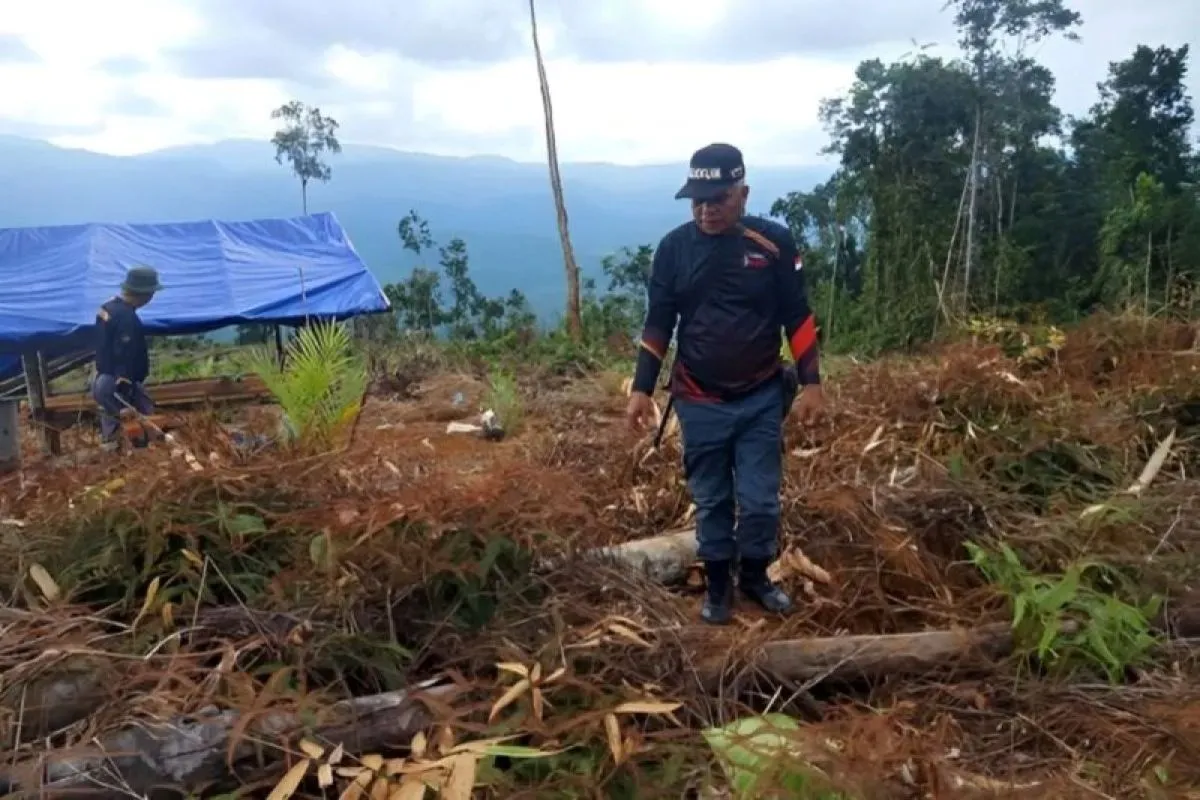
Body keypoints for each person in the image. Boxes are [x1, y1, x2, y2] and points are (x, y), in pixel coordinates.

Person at [625, 143, 826, 625]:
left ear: (743, 194)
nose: (706, 210)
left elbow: (797, 316)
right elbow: (659, 322)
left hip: (761, 395)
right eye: (697, 200)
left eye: (718, 199)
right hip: (698, 398)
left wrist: (812, 384)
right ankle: (718, 586)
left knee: (759, 501)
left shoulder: (773, 244)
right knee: (712, 498)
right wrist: (641, 388)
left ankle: (755, 576)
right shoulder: (674, 249)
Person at [92, 266, 162, 451]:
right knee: (141, 419)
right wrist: (124, 385)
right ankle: (142, 455)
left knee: (113, 420)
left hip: (102, 379)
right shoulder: (127, 319)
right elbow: (123, 354)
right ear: (145, 294)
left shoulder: (108, 308)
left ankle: (114, 456)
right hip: (117, 382)